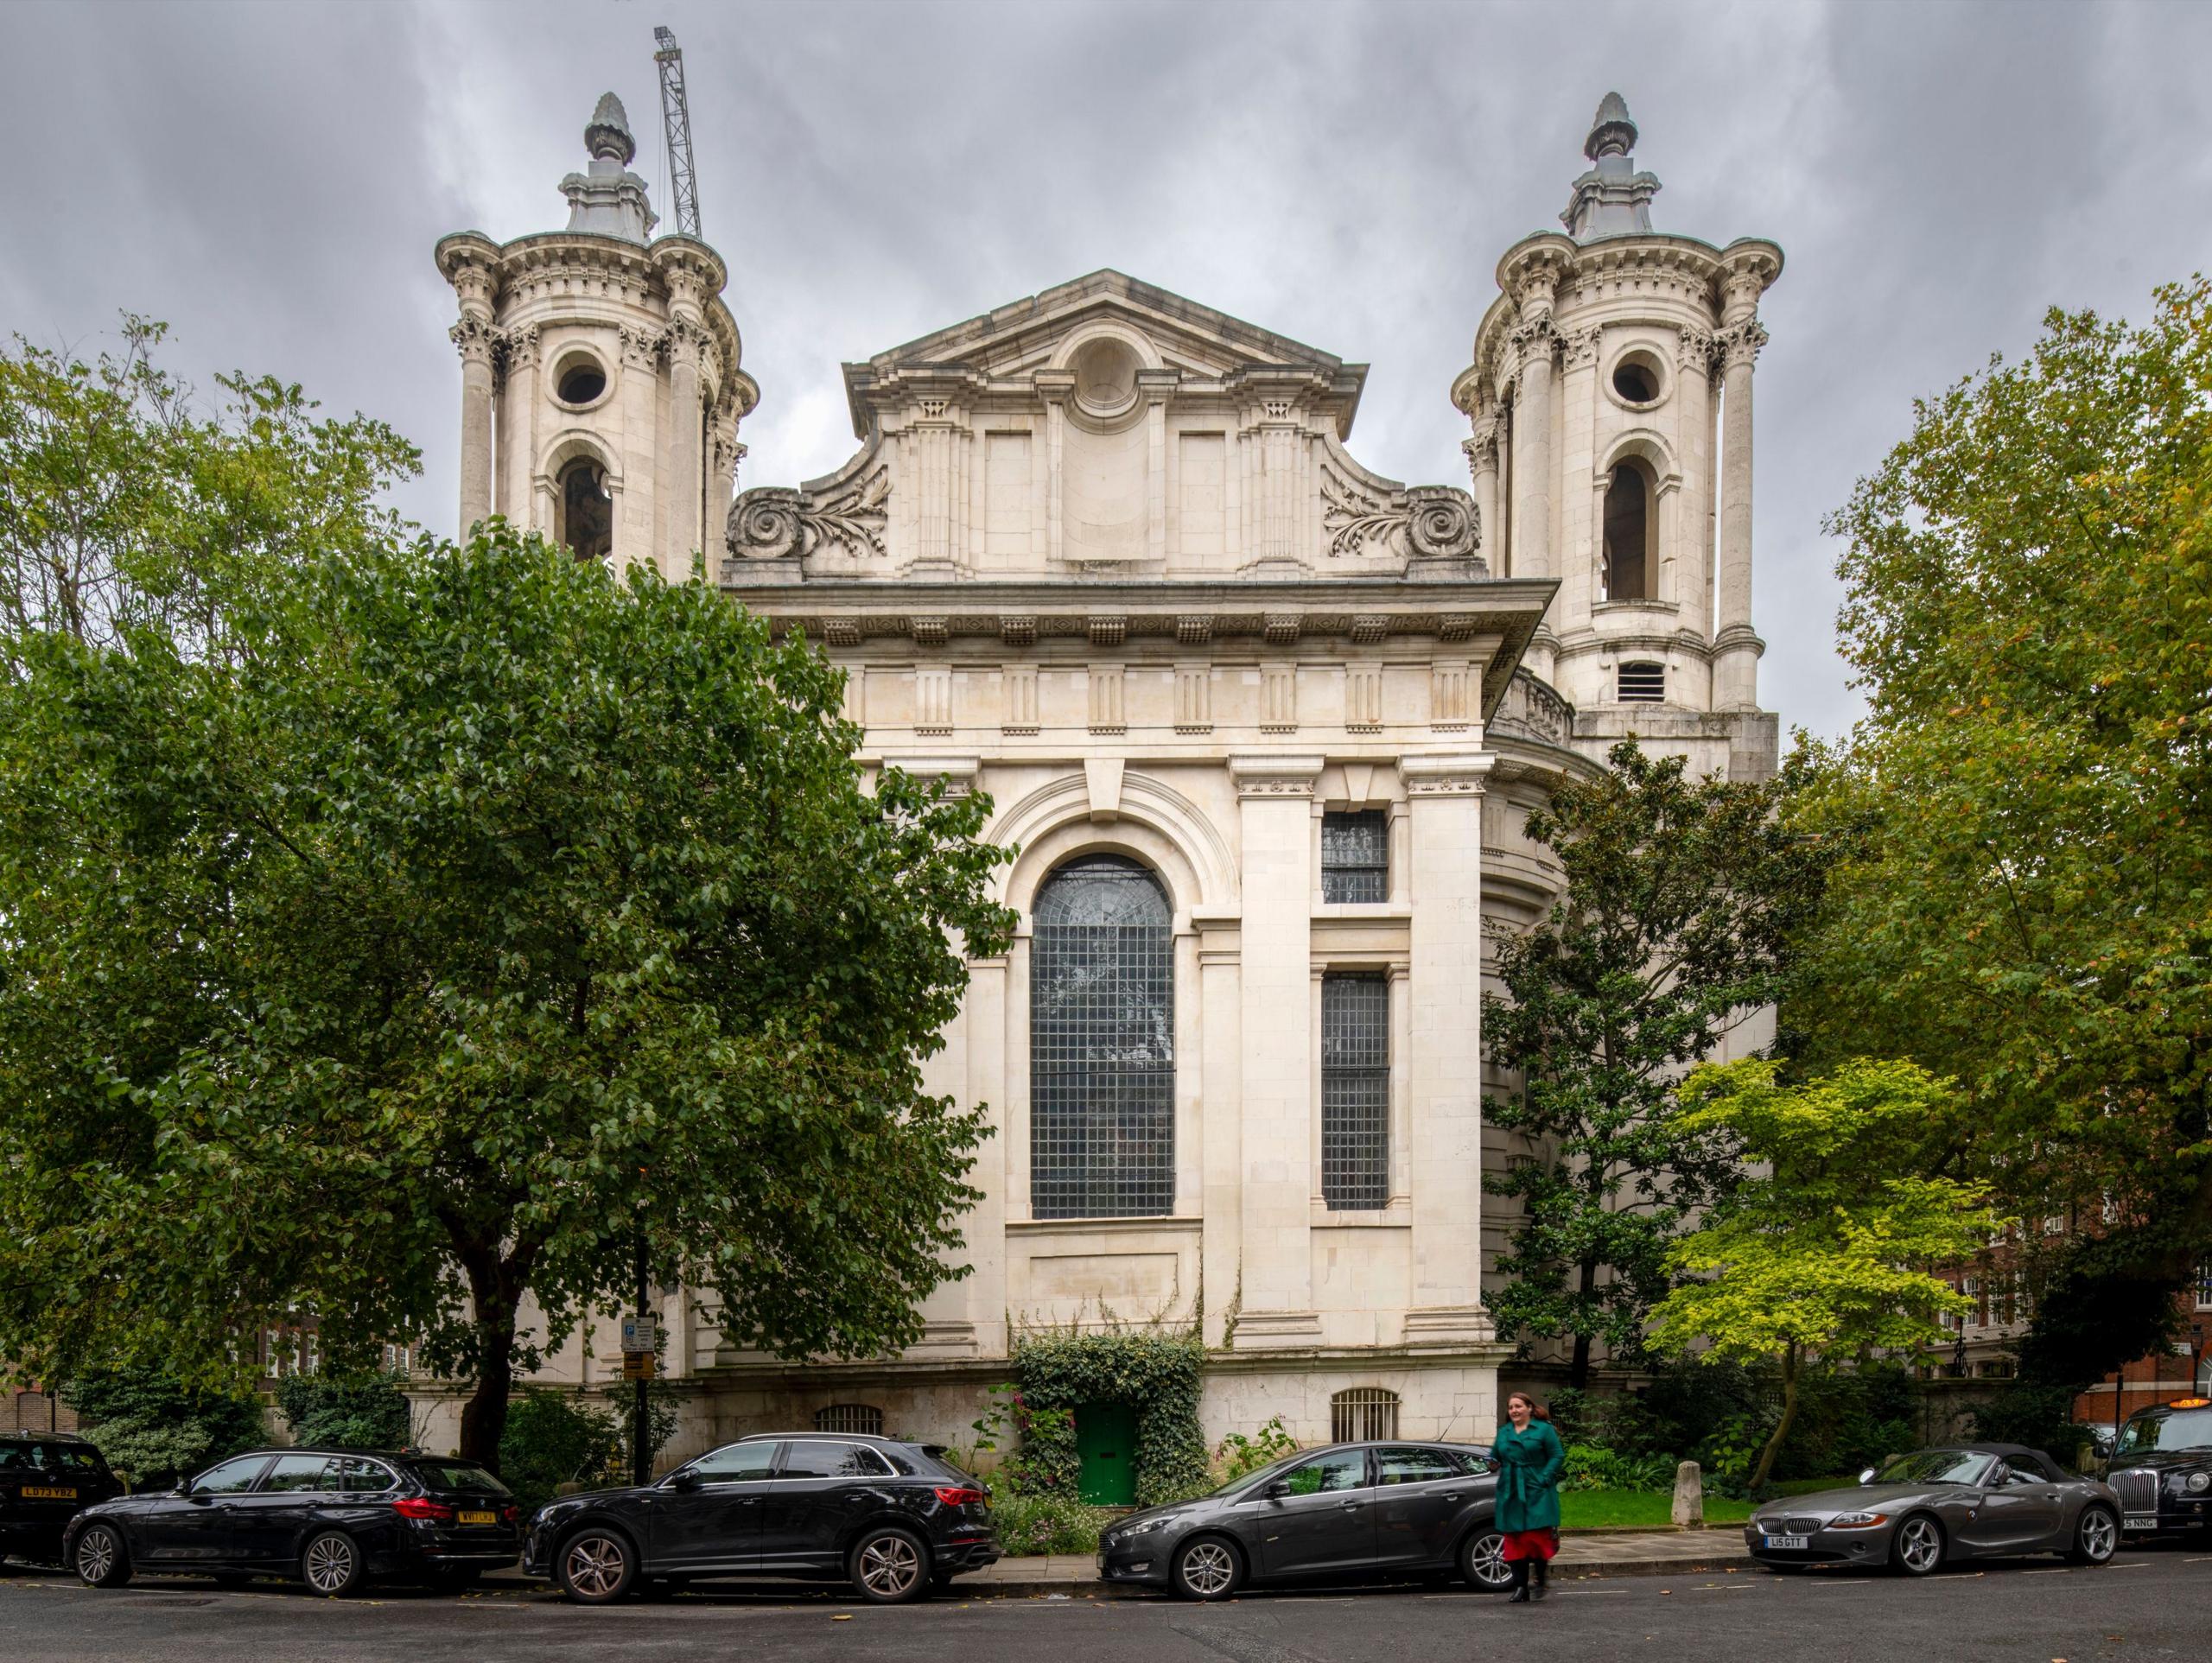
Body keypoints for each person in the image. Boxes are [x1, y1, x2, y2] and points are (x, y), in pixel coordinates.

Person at [1491, 1389, 1565, 1603]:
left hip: (1537, 1489)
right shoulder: (1504, 1432)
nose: (1514, 1410)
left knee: (1536, 1538)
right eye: (1511, 1407)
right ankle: (1521, 1588)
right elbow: (1495, 1454)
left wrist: (1544, 1478)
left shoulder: (1544, 1430)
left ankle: (1540, 1580)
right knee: (1514, 1539)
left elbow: (1557, 1455)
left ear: (1529, 1408)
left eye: (1518, 1406)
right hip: (1511, 1489)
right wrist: (1492, 1461)